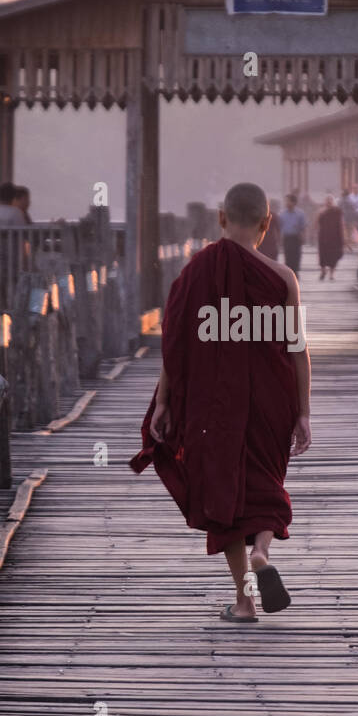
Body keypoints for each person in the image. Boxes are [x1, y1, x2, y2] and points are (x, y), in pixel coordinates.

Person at [129, 183, 312, 623]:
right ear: (267, 224)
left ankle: (245, 601)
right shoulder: (284, 278)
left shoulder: (195, 273)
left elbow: (175, 346)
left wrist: (164, 403)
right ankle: (263, 552)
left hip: (214, 406)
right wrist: (303, 411)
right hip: (272, 400)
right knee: (266, 483)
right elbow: (297, 349)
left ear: (221, 218)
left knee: (223, 492)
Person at [276, 193, 307, 275]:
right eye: (286, 201)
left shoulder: (300, 213)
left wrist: (303, 237)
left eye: (288, 201)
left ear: (294, 202)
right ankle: (289, 273)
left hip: (296, 237)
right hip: (287, 238)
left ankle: (295, 272)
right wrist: (280, 239)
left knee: (296, 255)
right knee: (288, 255)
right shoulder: (281, 214)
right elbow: (279, 227)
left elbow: (303, 226)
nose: (286, 203)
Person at [316, 194, 344, 280]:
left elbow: (341, 224)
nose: (329, 202)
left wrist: (343, 238)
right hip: (323, 237)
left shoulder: (337, 211)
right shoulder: (321, 212)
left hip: (335, 237)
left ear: (333, 202)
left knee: (334, 256)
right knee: (323, 256)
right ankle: (323, 271)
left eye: (330, 200)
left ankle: (332, 274)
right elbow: (317, 223)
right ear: (325, 202)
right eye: (327, 200)